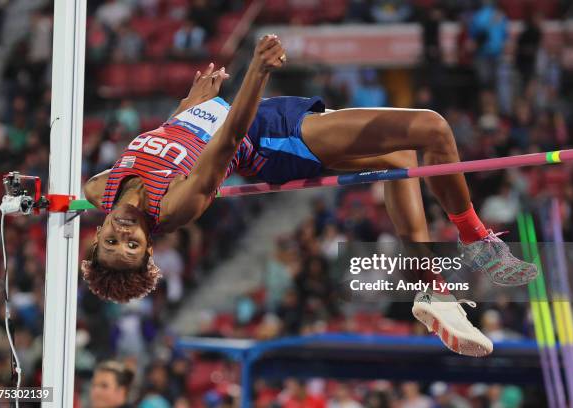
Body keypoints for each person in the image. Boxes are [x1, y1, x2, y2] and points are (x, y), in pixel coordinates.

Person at [82, 35, 538, 357]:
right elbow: (226, 139)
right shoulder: (173, 208)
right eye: (134, 246)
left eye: (112, 243)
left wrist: (188, 105)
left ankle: (431, 287)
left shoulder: (99, 187)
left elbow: (173, 138)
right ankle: (474, 241)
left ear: (97, 235)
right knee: (431, 129)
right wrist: (255, 75)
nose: (124, 236)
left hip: (255, 118)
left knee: (400, 158)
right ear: (150, 246)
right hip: (266, 138)